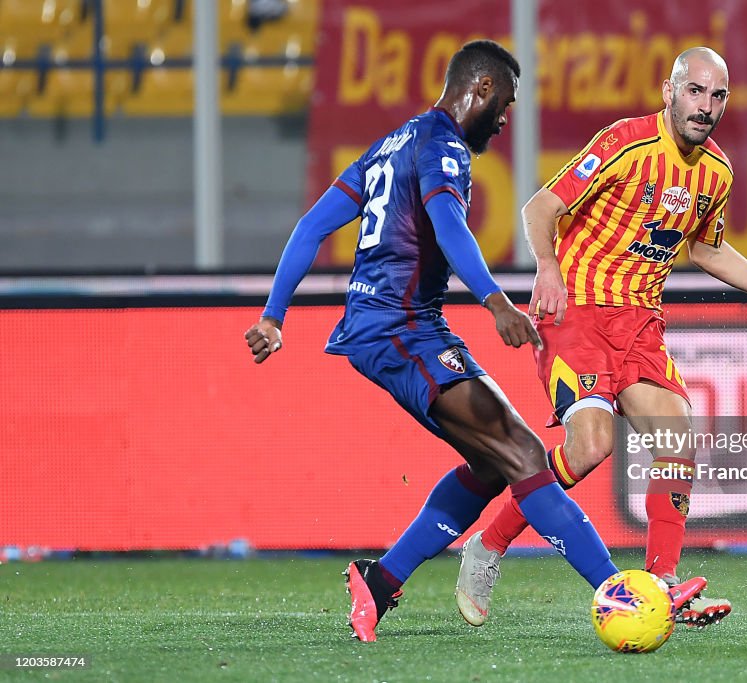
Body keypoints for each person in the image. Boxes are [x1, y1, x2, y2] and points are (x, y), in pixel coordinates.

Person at [244, 40, 634, 643]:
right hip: (398, 328)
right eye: (503, 104)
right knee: (525, 453)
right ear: (479, 90)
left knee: (488, 463)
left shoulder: (391, 144)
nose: (504, 120)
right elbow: (446, 220)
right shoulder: (443, 146)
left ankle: (380, 581)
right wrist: (494, 300)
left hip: (402, 325)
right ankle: (618, 594)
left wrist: (275, 316)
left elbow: (310, 226)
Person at [455, 46, 747, 628]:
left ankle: (662, 584)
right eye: (694, 91)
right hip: (576, 310)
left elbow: (705, 246)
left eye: (717, 96)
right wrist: (547, 269)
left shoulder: (717, 173)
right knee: (591, 447)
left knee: (679, 436)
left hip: (640, 324)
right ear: (669, 91)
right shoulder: (625, 143)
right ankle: (488, 545)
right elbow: (539, 207)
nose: (704, 107)